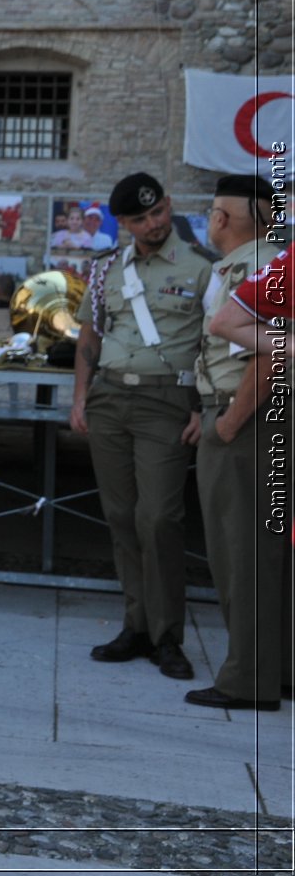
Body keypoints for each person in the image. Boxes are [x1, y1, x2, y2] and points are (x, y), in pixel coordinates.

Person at [71, 172, 213, 681]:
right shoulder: (107, 268)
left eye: (158, 213)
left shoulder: (201, 269)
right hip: (110, 396)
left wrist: (203, 406)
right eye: (140, 218)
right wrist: (81, 397)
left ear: (169, 206)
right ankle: (135, 624)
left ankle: (168, 635)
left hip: (166, 401)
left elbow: (212, 344)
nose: (153, 224)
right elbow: (90, 332)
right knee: (122, 516)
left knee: (159, 518)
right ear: (124, 223)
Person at [188, 175, 288, 711]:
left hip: (248, 420)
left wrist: (227, 424)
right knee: (271, 553)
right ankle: (279, 669)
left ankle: (247, 678)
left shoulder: (252, 269)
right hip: (258, 415)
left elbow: (269, 354)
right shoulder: (267, 262)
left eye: (211, 213)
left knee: (241, 552)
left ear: (222, 218)